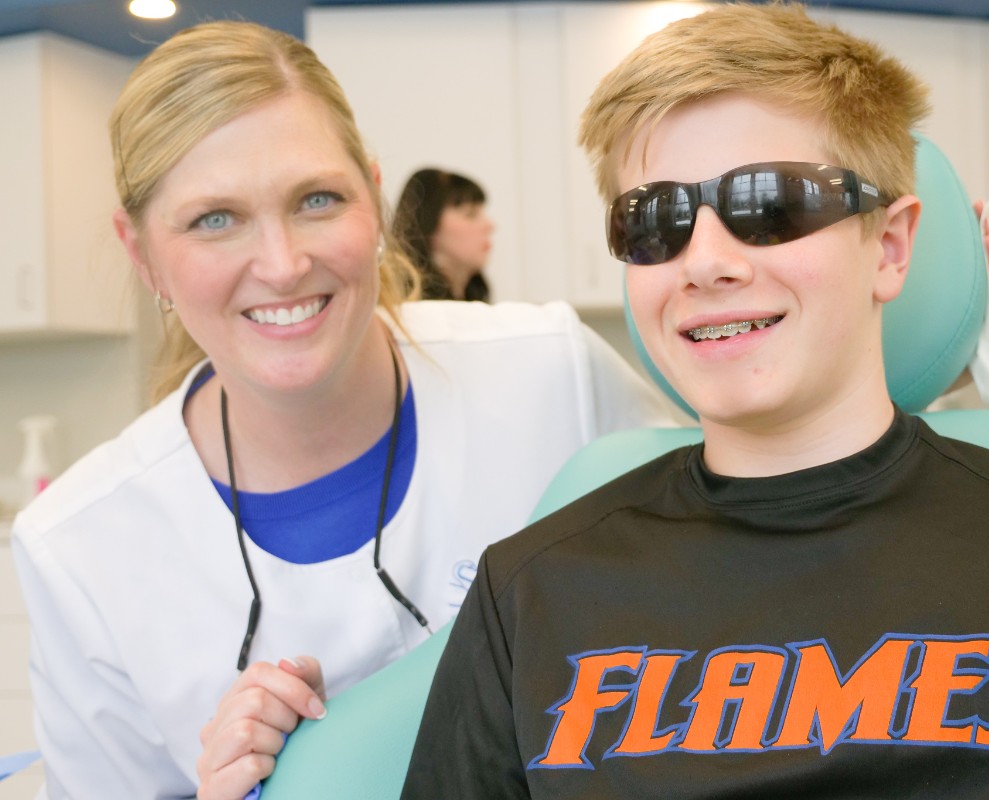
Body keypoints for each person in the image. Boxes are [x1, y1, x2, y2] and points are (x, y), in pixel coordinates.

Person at [400, 4, 989, 798]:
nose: (704, 262)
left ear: (887, 246)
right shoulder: (531, 595)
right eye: (656, 221)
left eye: (770, 207)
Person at [10, 20, 690, 800]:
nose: (283, 263)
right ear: (142, 253)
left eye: (317, 199)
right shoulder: (81, 546)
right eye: (214, 219)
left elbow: (719, 601)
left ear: (372, 197)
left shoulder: (550, 373)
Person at [394, 167, 494, 302]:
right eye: (471, 214)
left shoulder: (479, 307)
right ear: (427, 223)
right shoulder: (407, 313)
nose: (489, 225)